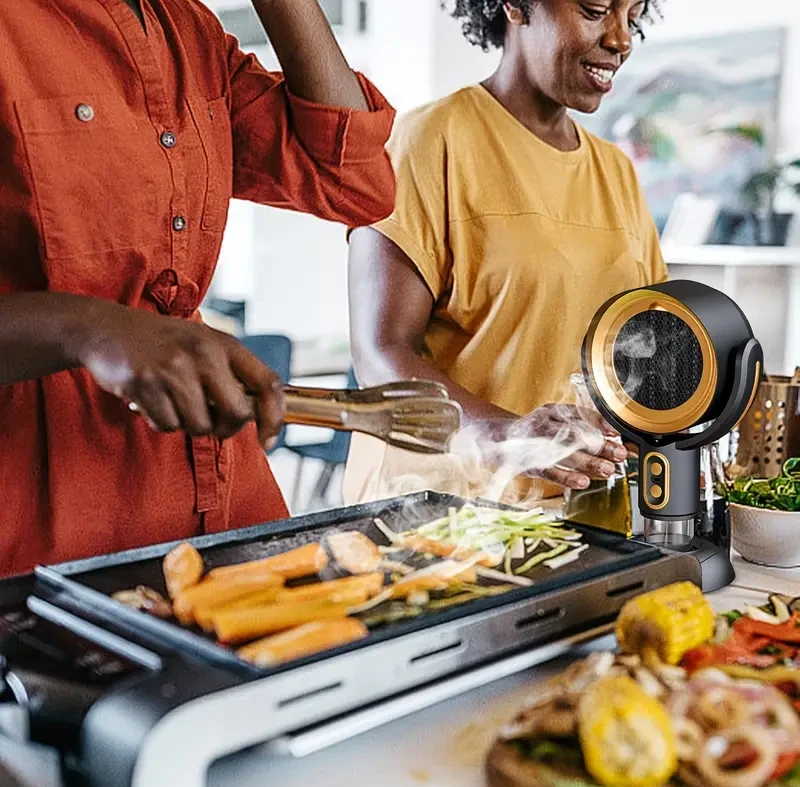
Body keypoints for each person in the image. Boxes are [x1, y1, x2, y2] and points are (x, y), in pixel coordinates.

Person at [0, 0, 396, 577]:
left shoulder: (188, 27)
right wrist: (86, 328)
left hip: (225, 504)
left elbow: (352, 183)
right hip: (46, 529)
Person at [344, 0, 665, 506]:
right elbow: (380, 353)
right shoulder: (427, 141)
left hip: (566, 508)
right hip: (436, 506)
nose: (620, 39)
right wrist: (503, 435)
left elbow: (641, 344)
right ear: (515, 5)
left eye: (633, 16)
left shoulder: (616, 173)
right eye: (595, 9)